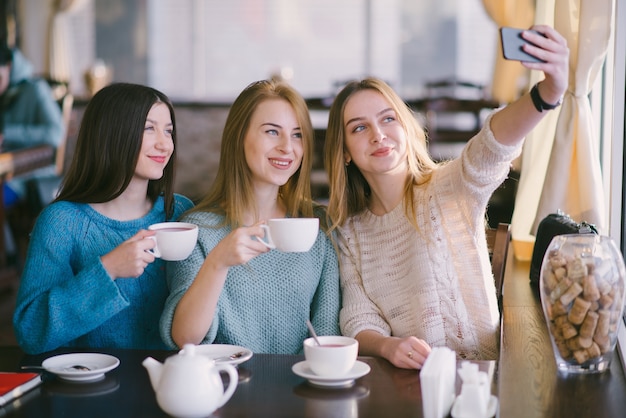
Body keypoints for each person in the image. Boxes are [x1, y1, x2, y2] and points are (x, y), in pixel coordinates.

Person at [324, 25, 569, 369]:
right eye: (359, 127)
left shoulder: (446, 188)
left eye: (388, 119)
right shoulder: (350, 232)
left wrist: (546, 94)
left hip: (479, 378)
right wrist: (388, 346)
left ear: (406, 129)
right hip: (409, 384)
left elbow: (490, 149)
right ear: (345, 151)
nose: (378, 135)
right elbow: (358, 316)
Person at [160, 79, 341, 354]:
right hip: (226, 389)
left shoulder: (317, 225)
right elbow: (185, 339)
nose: (287, 147)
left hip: (299, 389)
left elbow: (327, 334)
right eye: (272, 132)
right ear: (239, 137)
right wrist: (218, 262)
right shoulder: (200, 229)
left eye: (297, 135)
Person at [12, 82, 194, 355]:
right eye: (149, 128)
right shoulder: (61, 222)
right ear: (111, 134)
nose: (164, 143)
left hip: (172, 385)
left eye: (168, 131)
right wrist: (108, 269)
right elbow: (31, 332)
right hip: (87, 388)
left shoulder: (178, 214)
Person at [0, 45, 64, 206]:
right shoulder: (5, 92)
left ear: (9, 66)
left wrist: (6, 133)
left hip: (28, 175)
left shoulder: (36, 88)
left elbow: (57, 133)